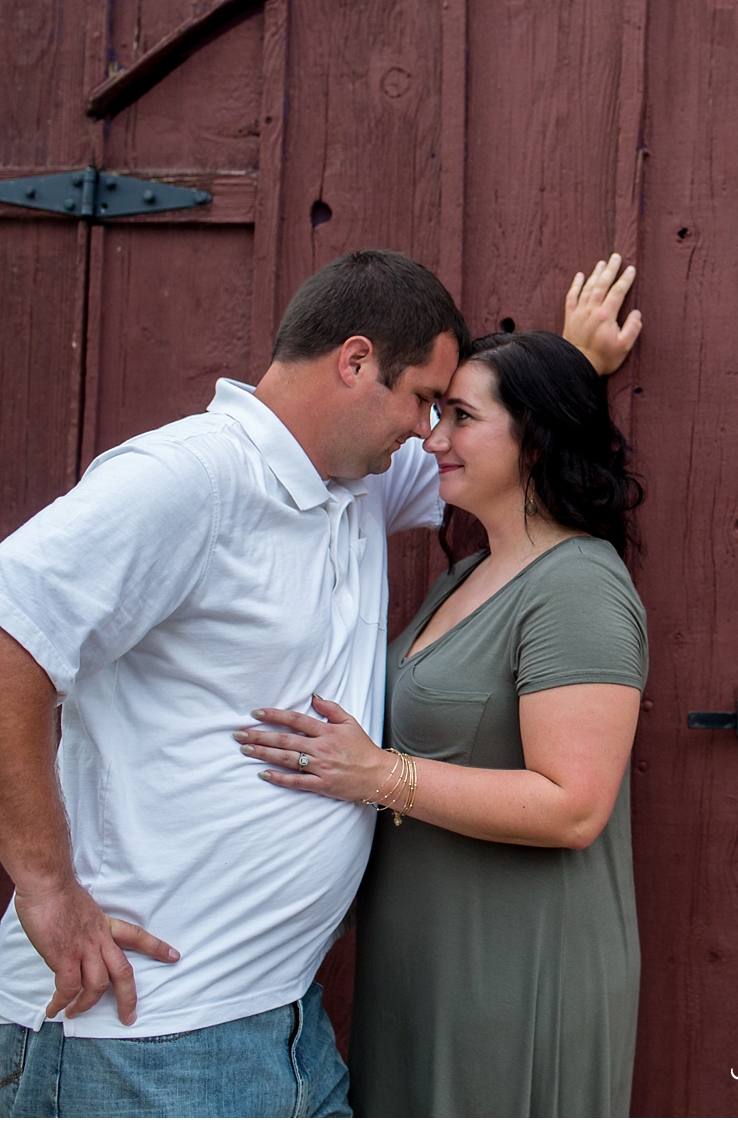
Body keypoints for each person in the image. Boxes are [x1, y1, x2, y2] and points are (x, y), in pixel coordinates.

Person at [0, 250, 639, 1118]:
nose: (429, 434)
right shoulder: (190, 478)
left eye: (444, 410)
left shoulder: (358, 484)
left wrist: (572, 360)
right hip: (142, 1036)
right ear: (353, 363)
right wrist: (49, 890)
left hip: (285, 1026)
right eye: (424, 399)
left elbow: (509, 453)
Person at [240, 330, 647, 1117]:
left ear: (536, 436)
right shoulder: (468, 573)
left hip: (516, 971)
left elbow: (574, 805)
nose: (433, 438)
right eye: (437, 414)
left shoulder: (579, 587)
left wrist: (379, 775)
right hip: (426, 963)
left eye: (460, 416)